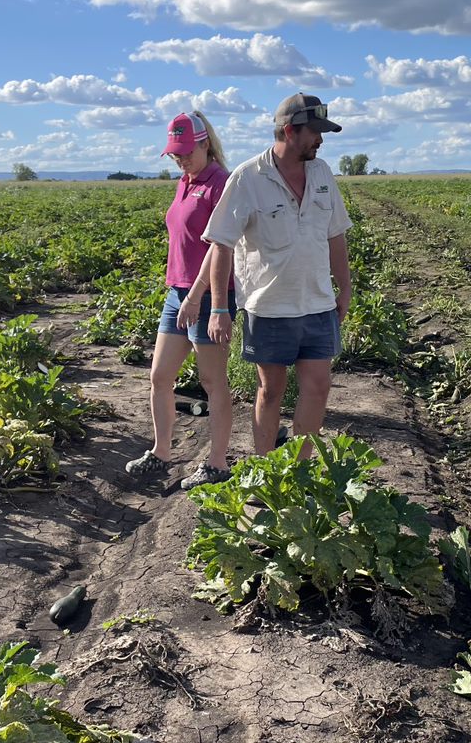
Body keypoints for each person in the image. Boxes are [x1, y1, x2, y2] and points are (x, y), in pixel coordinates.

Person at [202, 93, 351, 457]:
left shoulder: (322, 173)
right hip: (268, 307)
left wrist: (344, 289)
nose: (321, 138)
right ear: (288, 131)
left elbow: (336, 234)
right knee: (271, 391)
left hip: (316, 303)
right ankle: (267, 468)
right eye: (314, 131)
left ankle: (298, 471)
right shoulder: (248, 178)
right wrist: (220, 308)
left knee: (318, 387)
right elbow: (221, 244)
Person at [124, 111, 237, 489]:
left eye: (187, 152)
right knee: (159, 376)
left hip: (206, 296)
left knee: (211, 381)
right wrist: (181, 293)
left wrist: (197, 295)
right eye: (176, 153)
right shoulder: (185, 182)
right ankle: (160, 452)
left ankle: (218, 463)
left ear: (206, 143)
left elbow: (220, 245)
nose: (181, 159)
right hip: (177, 294)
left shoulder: (221, 183)